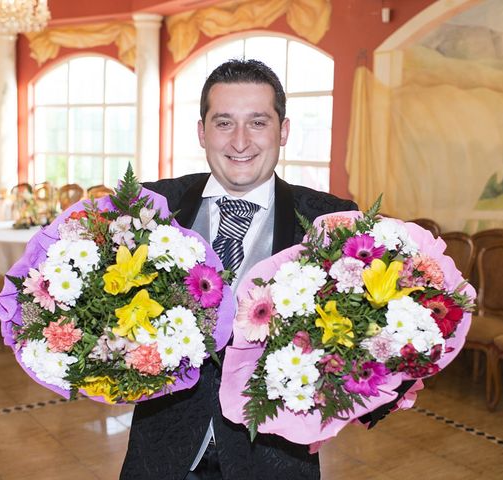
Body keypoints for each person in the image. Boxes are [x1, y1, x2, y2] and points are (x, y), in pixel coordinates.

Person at [120, 59, 404, 480]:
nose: (240, 142)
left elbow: (388, 331)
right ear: (202, 131)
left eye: (257, 122)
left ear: (283, 130)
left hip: (274, 460)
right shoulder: (152, 207)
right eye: (223, 123)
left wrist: (364, 390)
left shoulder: (332, 221)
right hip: (162, 454)